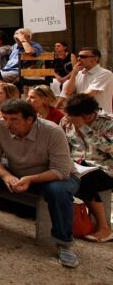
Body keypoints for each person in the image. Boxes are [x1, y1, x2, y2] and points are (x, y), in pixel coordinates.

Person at [0, 99, 81, 268]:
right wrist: (6, 176)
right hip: (16, 173)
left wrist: (30, 179)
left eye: (14, 120)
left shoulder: (52, 131)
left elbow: (61, 170)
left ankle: (64, 244)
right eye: (5, 118)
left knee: (58, 191)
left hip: (52, 176)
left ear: (30, 119)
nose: (7, 124)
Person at [61, 94, 113, 242]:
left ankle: (104, 228)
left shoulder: (108, 122)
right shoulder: (67, 121)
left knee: (85, 180)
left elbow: (110, 148)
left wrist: (84, 128)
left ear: (90, 114)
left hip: (106, 167)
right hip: (78, 164)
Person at [59, 47, 113, 113]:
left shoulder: (105, 73)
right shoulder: (78, 73)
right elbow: (67, 92)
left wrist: (71, 102)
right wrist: (73, 75)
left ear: (95, 59)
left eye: (83, 56)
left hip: (99, 115)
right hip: (81, 114)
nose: (78, 59)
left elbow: (88, 95)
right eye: (78, 56)